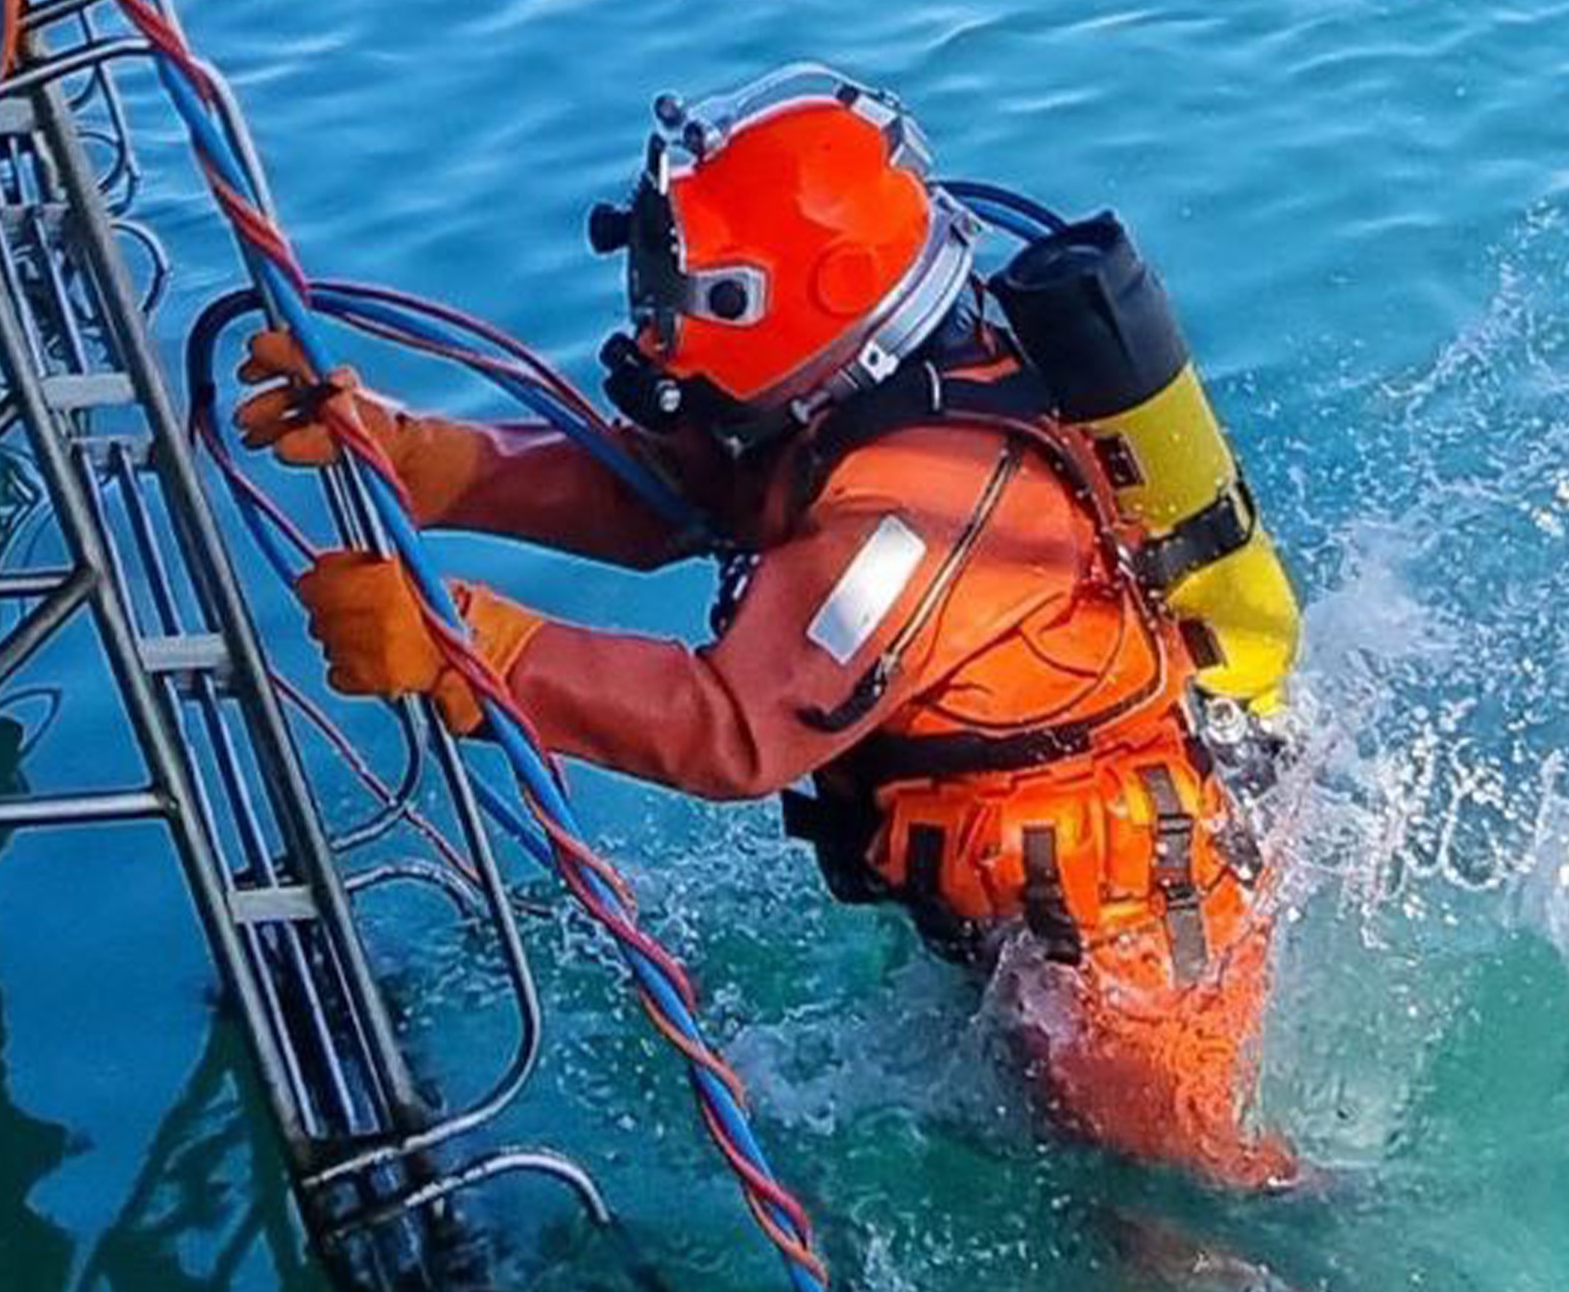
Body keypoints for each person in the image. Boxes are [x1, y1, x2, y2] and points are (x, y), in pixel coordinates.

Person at [242, 67, 1307, 1189]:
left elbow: (734, 728)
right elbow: (665, 493)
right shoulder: (852, 399)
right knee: (1059, 1155)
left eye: (687, 297)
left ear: (815, 292)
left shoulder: (917, 512)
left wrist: (473, 648)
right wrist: (419, 455)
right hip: (1017, 898)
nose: (656, 333)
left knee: (1165, 1198)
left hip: (1127, 927)